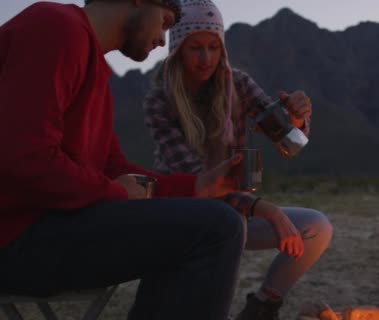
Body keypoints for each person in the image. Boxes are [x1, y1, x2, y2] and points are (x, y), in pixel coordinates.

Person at [0, 1, 247, 319]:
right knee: (216, 229)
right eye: (165, 22)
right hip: (14, 236)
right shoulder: (56, 26)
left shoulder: (93, 67)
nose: (161, 39)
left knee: (203, 220)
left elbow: (115, 168)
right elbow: (23, 158)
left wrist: (198, 186)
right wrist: (115, 192)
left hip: (39, 228)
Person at [143, 1, 333, 319]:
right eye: (196, 48)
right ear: (177, 50)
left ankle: (262, 307)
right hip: (182, 212)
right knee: (231, 226)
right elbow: (196, 180)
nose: (207, 59)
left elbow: (285, 138)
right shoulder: (159, 100)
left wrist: (295, 120)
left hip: (236, 207)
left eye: (214, 47)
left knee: (316, 227)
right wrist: (266, 210)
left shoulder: (237, 84)